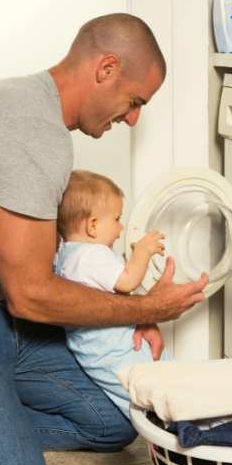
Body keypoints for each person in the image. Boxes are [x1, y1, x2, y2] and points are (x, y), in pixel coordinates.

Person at [0, 12, 210, 465]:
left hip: (3, 318)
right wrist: (148, 308)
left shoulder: (21, 100)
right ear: (107, 68)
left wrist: (131, 317)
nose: (134, 118)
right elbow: (31, 295)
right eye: (135, 102)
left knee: (116, 422)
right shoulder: (36, 133)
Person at [53, 170, 174, 418]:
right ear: (93, 226)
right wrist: (142, 252)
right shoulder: (92, 255)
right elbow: (127, 281)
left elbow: (107, 281)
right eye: (117, 219)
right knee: (166, 393)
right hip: (119, 350)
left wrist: (123, 258)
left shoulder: (65, 254)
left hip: (97, 353)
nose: (121, 227)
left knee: (148, 400)